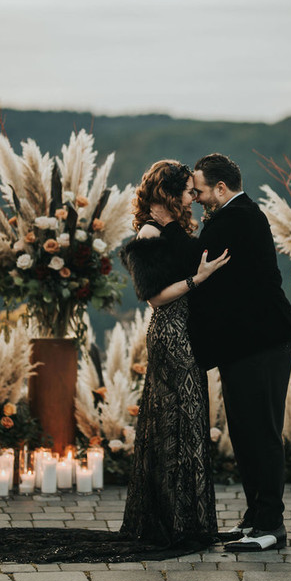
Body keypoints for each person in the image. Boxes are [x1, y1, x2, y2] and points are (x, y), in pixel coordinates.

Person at [151, 153, 291, 552]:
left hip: (263, 342)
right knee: (244, 430)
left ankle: (272, 525)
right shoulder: (231, 217)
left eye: (199, 191)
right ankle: (255, 518)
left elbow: (191, 259)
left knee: (262, 431)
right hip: (246, 343)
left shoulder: (238, 218)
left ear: (221, 188)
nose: (197, 199)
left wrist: (158, 226)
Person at [119, 160, 230, 549]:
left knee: (189, 420)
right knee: (176, 423)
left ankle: (187, 520)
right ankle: (174, 523)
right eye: (186, 191)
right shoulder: (148, 234)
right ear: (168, 193)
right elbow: (154, 297)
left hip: (187, 332)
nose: (192, 197)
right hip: (171, 334)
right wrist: (197, 279)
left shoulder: (170, 229)